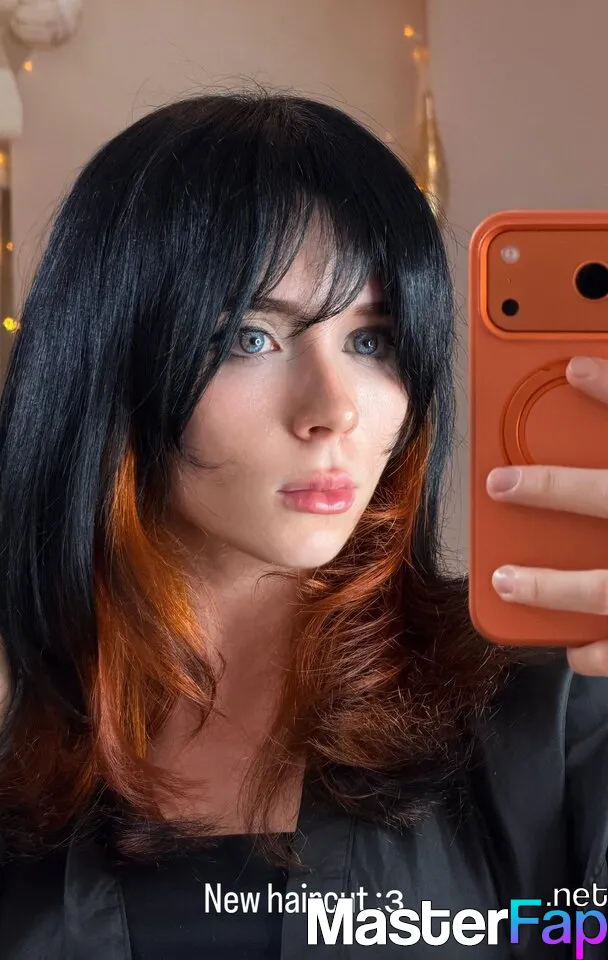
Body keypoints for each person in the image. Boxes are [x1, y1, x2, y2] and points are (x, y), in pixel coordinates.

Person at [0, 90, 607, 960]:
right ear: (110, 358)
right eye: (249, 337)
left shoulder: (548, 705)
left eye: (371, 341)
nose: (335, 410)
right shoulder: (24, 725)